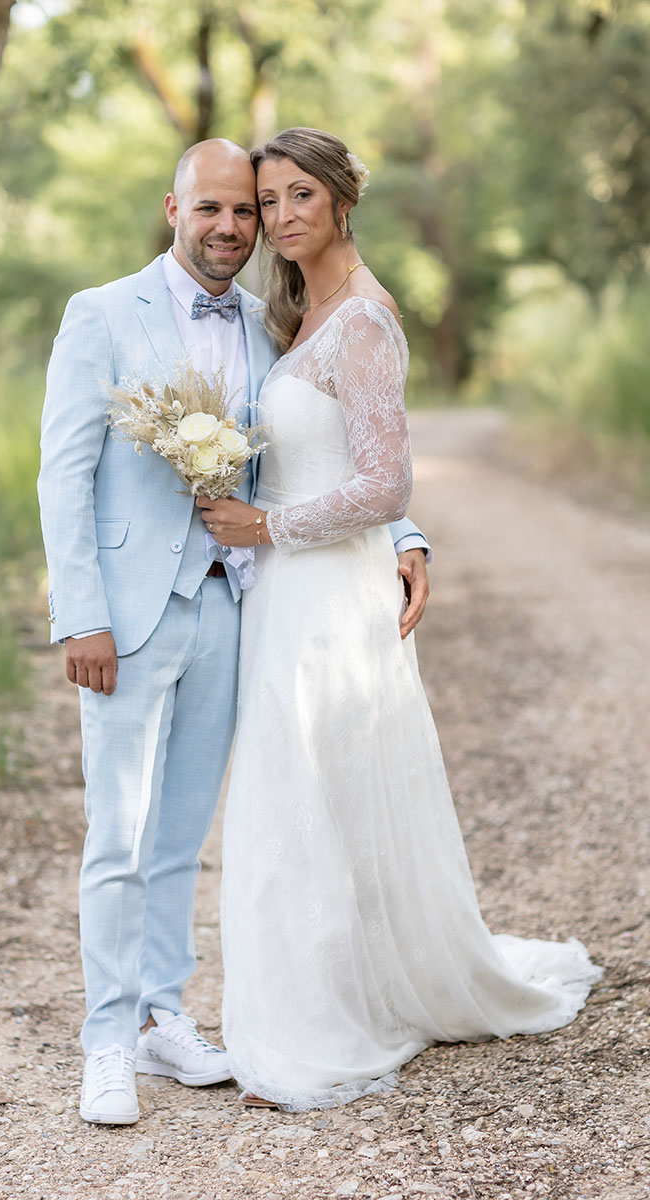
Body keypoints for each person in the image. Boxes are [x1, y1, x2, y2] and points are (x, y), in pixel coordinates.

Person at [197, 128, 602, 1112]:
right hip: (289, 590)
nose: (279, 217)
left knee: (314, 793)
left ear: (340, 200)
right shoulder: (297, 314)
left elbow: (384, 483)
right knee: (295, 797)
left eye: (298, 195)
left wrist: (267, 525)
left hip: (327, 586)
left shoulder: (365, 322)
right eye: (266, 200)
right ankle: (306, 995)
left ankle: (320, 1022)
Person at [37, 138, 432, 1125]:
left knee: (179, 834)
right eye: (210, 208)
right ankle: (105, 1039)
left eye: (244, 212)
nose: (228, 227)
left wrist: (408, 533)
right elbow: (63, 475)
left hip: (234, 605)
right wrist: (78, 614)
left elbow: (330, 441)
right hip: (125, 617)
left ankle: (164, 1016)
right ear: (171, 209)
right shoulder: (100, 315)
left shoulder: (270, 322)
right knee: (117, 835)